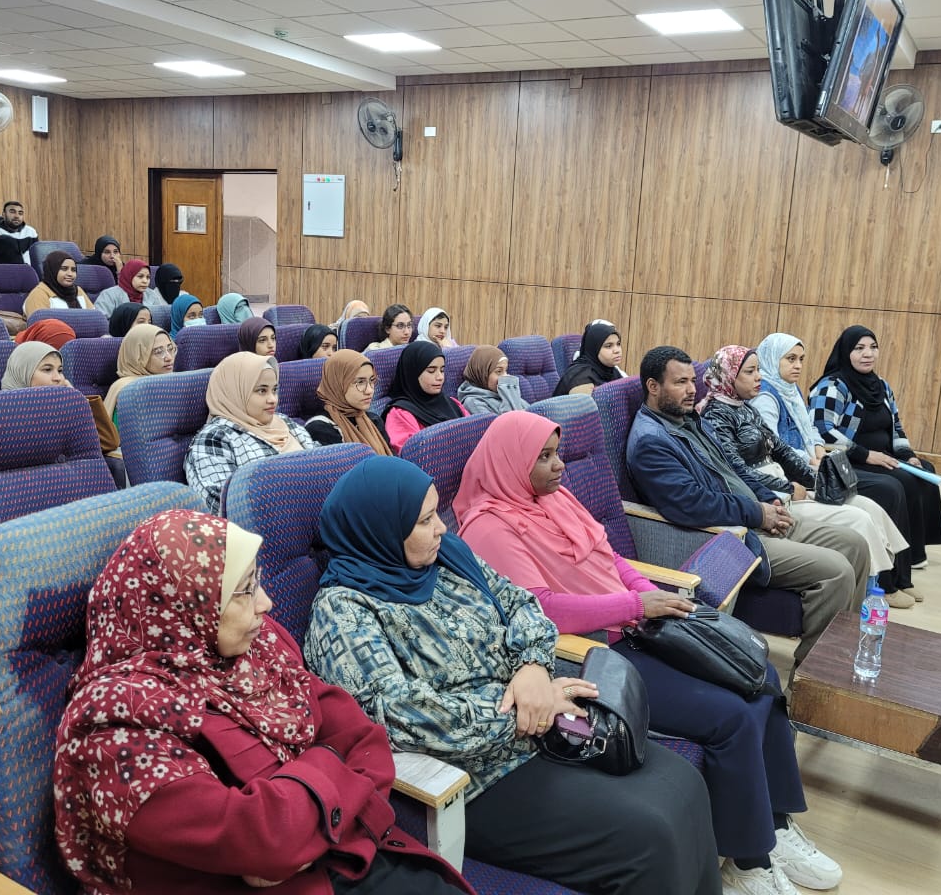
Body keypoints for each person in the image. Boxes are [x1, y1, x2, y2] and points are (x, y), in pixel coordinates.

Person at [455, 412, 843, 895]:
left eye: (558, 453)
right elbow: (542, 610)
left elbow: (609, 558)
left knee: (761, 677)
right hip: (598, 653)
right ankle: (748, 860)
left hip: (638, 627)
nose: (559, 466)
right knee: (730, 717)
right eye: (545, 457)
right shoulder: (489, 528)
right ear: (510, 463)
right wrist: (636, 606)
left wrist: (650, 595)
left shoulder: (552, 497)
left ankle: (776, 822)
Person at [305, 457, 722, 895]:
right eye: (425, 520)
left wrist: (533, 668)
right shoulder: (343, 611)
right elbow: (399, 717)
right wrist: (528, 710)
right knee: (651, 835)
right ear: (380, 531)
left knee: (684, 784)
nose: (442, 528)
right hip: (472, 776)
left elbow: (522, 604)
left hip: (539, 725)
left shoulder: (446, 558)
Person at [53, 508, 471, 895]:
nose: (266, 603)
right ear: (182, 606)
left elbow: (365, 740)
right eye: (243, 591)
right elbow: (266, 839)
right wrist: (330, 765)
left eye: (257, 582)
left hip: (349, 858)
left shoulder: (255, 647)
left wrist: (303, 819)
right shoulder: (114, 725)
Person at [627, 346, 868, 667]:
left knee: (855, 544)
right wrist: (756, 513)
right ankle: (815, 673)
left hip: (754, 516)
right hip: (729, 538)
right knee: (837, 571)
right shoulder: (651, 441)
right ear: (653, 386)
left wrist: (768, 498)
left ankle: (841, 654)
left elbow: (735, 470)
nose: (691, 390)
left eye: (691, 381)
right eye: (680, 382)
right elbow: (689, 504)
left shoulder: (690, 419)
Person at [700, 345, 911, 605]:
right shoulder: (715, 416)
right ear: (729, 375)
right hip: (768, 495)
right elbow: (736, 471)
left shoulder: (745, 408)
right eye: (750, 372)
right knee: (858, 518)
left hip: (783, 484)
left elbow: (781, 450)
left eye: (759, 370)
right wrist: (787, 488)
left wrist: (816, 481)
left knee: (867, 505)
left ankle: (885, 584)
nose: (759, 377)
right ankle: (871, 595)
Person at [809, 326, 941, 575]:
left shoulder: (881, 386)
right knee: (903, 480)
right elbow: (823, 431)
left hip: (882, 456)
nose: (868, 354)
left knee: (924, 471)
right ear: (846, 352)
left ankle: (916, 549)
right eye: (859, 348)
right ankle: (903, 555)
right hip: (851, 459)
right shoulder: (833, 385)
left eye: (873, 347)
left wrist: (908, 456)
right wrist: (865, 454)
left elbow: (896, 426)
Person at [185, 353, 317, 512]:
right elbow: (226, 509)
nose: (273, 399)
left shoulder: (284, 421)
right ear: (234, 392)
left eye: (274, 390)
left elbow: (320, 465)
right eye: (262, 391)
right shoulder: (214, 439)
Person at [1, 341, 122, 480]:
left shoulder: (60, 409)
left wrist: (79, 400)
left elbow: (109, 442)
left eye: (60, 370)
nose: (58, 378)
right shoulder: (2, 414)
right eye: (47, 370)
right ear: (23, 372)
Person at [382, 341, 466, 453]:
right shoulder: (400, 413)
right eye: (431, 371)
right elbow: (412, 454)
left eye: (442, 370)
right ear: (413, 374)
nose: (440, 377)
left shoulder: (453, 404)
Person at [304, 349, 392, 453]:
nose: (370, 390)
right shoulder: (320, 429)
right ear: (338, 385)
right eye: (360, 382)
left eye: (372, 380)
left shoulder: (373, 420)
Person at [104, 325, 175, 424]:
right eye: (158, 352)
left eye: (170, 349)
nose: (169, 358)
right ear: (138, 356)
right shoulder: (128, 390)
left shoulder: (174, 381)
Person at [554, 320, 625, 396]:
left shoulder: (612, 371)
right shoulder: (581, 377)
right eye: (608, 346)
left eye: (618, 344)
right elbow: (583, 403)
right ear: (594, 349)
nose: (617, 350)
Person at [456, 346, 528, 415]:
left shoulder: (502, 392)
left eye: (506, 370)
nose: (505, 377)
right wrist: (509, 395)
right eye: (499, 371)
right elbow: (512, 421)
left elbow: (532, 413)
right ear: (483, 373)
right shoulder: (473, 402)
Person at [23, 251, 93, 317]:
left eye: (73, 270)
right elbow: (40, 323)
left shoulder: (78, 290)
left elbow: (93, 317)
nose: (70, 274)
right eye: (64, 269)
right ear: (53, 270)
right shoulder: (38, 294)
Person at [93, 258, 167, 317]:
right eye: (140, 276)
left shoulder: (151, 294)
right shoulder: (108, 295)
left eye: (148, 277)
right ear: (129, 276)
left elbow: (158, 318)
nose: (145, 281)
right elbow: (102, 321)